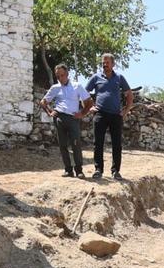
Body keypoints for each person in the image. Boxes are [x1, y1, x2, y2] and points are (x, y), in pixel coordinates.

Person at [85, 53, 133, 181]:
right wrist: (90, 107)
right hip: (100, 114)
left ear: (113, 64)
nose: (105, 65)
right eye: (103, 63)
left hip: (116, 115)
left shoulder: (119, 78)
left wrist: (126, 110)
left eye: (107, 62)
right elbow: (84, 93)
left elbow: (129, 94)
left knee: (117, 144)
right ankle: (98, 170)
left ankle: (116, 171)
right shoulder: (96, 77)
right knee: (98, 143)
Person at [40, 63, 93, 178]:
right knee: (63, 145)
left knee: (76, 144)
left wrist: (82, 113)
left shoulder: (77, 86)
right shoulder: (55, 88)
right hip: (59, 118)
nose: (60, 78)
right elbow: (43, 102)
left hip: (73, 118)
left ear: (67, 74)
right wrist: (50, 112)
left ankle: (79, 170)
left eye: (62, 75)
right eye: (58, 76)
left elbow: (89, 101)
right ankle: (68, 170)